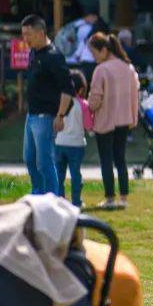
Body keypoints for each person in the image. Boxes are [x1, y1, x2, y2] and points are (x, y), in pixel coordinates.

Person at [21, 15, 73, 196]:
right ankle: (38, 195)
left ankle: (52, 200)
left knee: (44, 163)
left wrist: (60, 115)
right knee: (29, 159)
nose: (25, 39)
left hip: (46, 117)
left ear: (41, 33)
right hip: (31, 115)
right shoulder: (33, 53)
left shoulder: (54, 56)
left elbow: (67, 89)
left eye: (28, 34)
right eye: (23, 34)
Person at [87, 33, 140, 210]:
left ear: (104, 50)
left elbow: (95, 99)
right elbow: (135, 96)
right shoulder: (128, 68)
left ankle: (110, 198)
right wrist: (133, 118)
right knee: (120, 159)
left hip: (105, 121)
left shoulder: (101, 70)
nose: (93, 57)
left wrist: (89, 107)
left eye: (94, 53)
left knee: (106, 159)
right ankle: (124, 197)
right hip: (124, 120)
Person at [54, 70, 89, 208]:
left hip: (59, 143)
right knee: (75, 174)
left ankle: (59, 201)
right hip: (77, 145)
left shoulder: (59, 103)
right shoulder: (83, 104)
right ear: (81, 89)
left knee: (59, 175)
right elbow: (88, 125)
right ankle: (76, 201)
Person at [69, 8, 108, 82]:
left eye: (88, 17)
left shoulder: (91, 28)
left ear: (94, 16)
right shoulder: (99, 27)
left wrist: (77, 55)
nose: (86, 19)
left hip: (89, 62)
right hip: (96, 61)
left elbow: (85, 42)